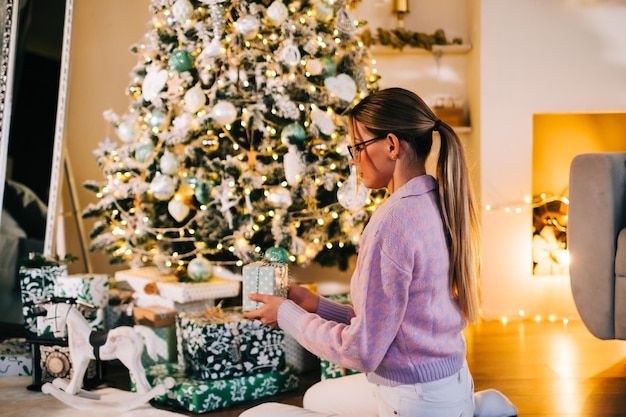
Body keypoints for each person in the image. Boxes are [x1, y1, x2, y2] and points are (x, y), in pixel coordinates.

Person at [240, 88, 518, 417]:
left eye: (358, 147)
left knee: (255, 415)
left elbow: (362, 351)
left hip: (415, 402)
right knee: (316, 396)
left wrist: (286, 314)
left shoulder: (391, 224)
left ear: (391, 145)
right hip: (448, 383)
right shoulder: (436, 200)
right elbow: (393, 321)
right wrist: (316, 306)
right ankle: (473, 408)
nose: (354, 159)